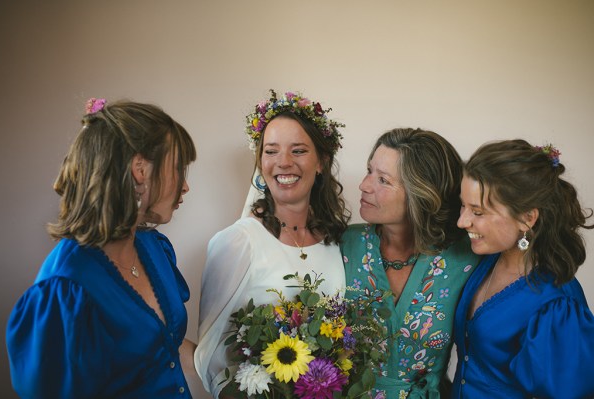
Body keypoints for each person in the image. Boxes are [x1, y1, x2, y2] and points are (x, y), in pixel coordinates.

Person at [6, 98, 197, 398]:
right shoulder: (65, 290)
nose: (185, 186)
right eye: (177, 168)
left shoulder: (153, 248)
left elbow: (166, 349)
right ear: (140, 169)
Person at [195, 90, 349, 398]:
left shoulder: (337, 243)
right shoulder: (237, 242)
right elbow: (209, 354)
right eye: (271, 151)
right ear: (260, 161)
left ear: (322, 162)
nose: (283, 163)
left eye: (299, 151)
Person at [341, 128, 481, 398]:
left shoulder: (466, 259)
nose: (364, 185)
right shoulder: (343, 245)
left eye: (383, 180)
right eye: (369, 171)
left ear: (422, 195)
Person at [452, 139, 594, 399]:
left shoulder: (556, 304)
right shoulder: (483, 261)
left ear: (527, 218)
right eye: (463, 205)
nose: (462, 221)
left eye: (478, 212)